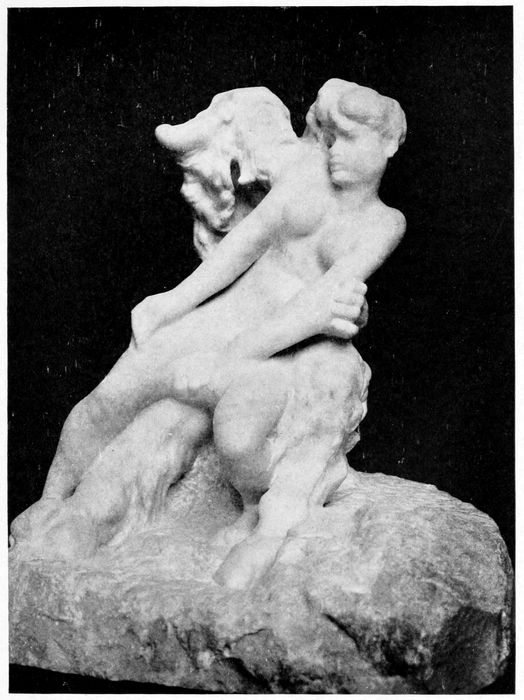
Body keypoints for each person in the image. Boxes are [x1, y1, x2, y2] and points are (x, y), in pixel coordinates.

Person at [11, 80, 406, 590]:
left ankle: (91, 520)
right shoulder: (307, 172)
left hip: (281, 346)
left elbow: (319, 305)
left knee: (175, 421)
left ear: (389, 144)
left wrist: (230, 359)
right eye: (330, 138)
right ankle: (51, 498)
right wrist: (172, 302)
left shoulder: (383, 224)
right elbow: (243, 245)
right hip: (225, 314)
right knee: (108, 399)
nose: (335, 153)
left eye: (350, 140)